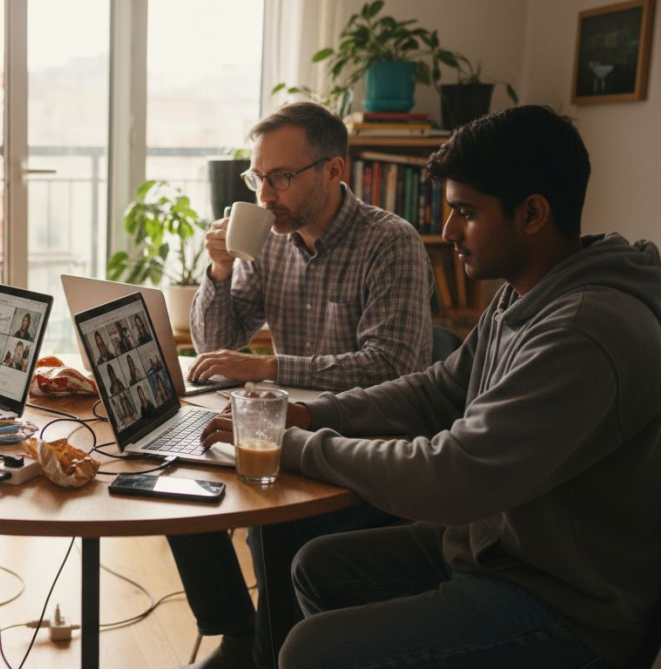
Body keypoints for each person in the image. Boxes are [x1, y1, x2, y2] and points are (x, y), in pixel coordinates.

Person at [200, 105, 661, 669]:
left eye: (465, 213)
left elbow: (455, 476)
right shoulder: (527, 293)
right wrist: (311, 416)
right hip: (499, 548)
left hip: (565, 603)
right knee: (314, 567)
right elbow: (439, 390)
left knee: (309, 650)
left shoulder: (584, 331)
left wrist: (291, 445)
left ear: (533, 213)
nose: (446, 233)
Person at [172, 101, 434, 669]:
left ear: (335, 170)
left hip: (365, 446)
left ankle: (274, 658)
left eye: (282, 178)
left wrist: (269, 368)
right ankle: (238, 634)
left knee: (275, 530)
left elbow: (391, 367)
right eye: (258, 178)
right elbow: (217, 341)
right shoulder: (270, 240)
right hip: (283, 429)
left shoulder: (392, 244)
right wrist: (218, 272)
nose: (266, 195)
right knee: (171, 476)